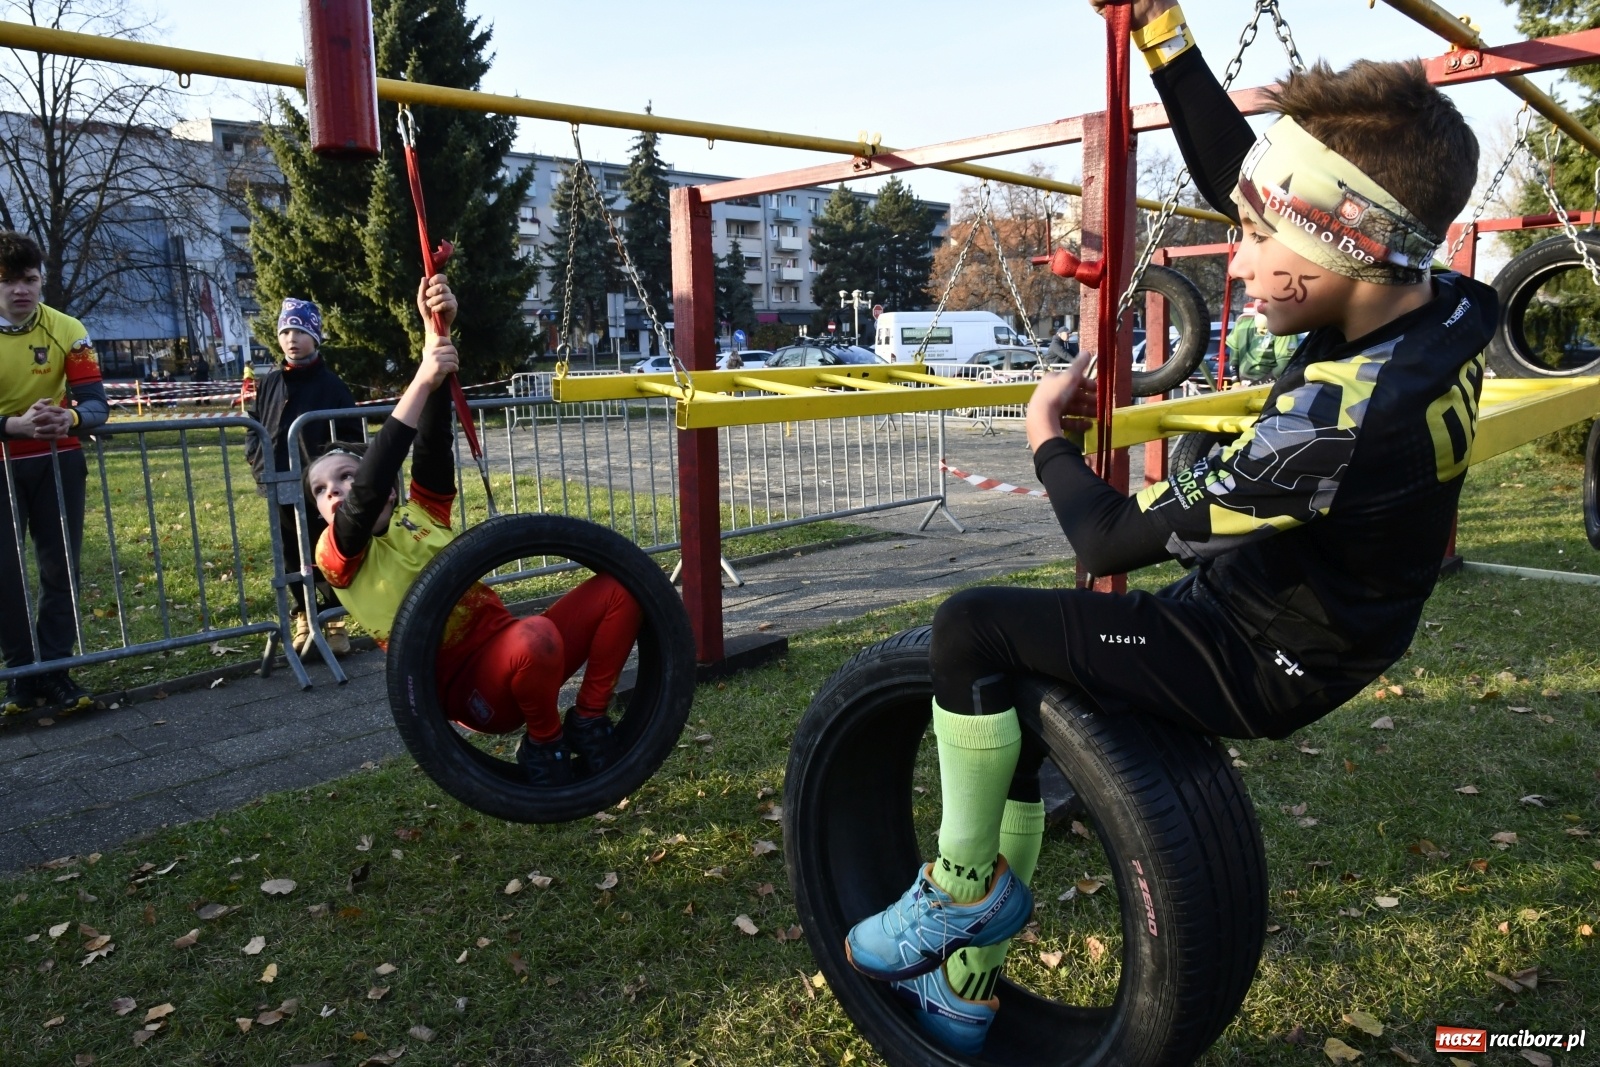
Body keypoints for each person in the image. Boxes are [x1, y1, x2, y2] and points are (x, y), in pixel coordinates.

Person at [845, 0, 1493, 1053]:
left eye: (1254, 239)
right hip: (1323, 612)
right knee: (1018, 680)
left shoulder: (1332, 422)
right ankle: (962, 989)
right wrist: (1161, 31)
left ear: (1343, 245)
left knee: (971, 628)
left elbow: (1101, 540)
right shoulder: (1448, 298)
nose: (1233, 263)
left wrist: (1043, 435)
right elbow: (1247, 173)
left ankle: (961, 893)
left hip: (1258, 652)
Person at [305, 275, 641, 786]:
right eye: (321, 490)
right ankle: (543, 746)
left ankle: (589, 719)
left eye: (346, 475)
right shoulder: (336, 556)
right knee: (536, 635)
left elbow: (432, 450)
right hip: (470, 690)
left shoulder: (421, 514)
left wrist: (436, 340)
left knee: (624, 586)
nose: (336, 491)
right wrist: (420, 376)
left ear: (395, 491)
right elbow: (370, 488)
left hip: (518, 649)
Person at [0, 231, 109, 714]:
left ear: (41, 281)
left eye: (28, 279)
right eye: (6, 282)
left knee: (59, 568)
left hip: (58, 461)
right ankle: (20, 675)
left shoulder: (69, 329)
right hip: (2, 463)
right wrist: (11, 426)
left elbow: (97, 405)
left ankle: (55, 671)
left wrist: (72, 418)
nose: (19, 290)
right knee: (5, 574)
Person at [245, 297, 363, 656]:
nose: (291, 338)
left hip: (318, 489)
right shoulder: (270, 383)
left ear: (315, 336)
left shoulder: (331, 386)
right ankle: (302, 617)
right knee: (289, 553)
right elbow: (254, 426)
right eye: (285, 331)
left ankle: (334, 620)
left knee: (323, 549)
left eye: (299, 330)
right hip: (278, 482)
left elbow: (351, 435)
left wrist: (337, 477)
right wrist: (258, 462)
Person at [1228, 298, 1299, 383]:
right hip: (1250, 385)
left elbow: (1283, 365)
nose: (1261, 302)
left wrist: (1241, 384)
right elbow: (1234, 357)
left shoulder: (1283, 327)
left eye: (1265, 299)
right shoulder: (1242, 323)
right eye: (1259, 298)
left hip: (1266, 386)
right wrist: (1236, 383)